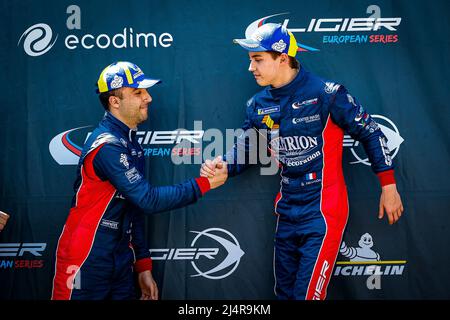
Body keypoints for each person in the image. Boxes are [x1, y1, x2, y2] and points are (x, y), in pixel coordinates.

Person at [201, 23, 403, 300]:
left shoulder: (328, 94)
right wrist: (224, 164)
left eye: (257, 59)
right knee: (283, 294)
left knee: (308, 296)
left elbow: (370, 132)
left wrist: (388, 185)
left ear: (282, 58)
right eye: (251, 60)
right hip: (286, 209)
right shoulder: (257, 104)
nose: (251, 68)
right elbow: (247, 148)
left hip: (323, 209)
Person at [52, 61, 227, 300]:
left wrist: (142, 265)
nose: (149, 98)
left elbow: (133, 209)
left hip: (120, 255)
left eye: (145, 91)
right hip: (86, 253)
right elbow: (148, 200)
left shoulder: (130, 144)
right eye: (138, 92)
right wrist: (204, 184)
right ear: (114, 101)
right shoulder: (106, 145)